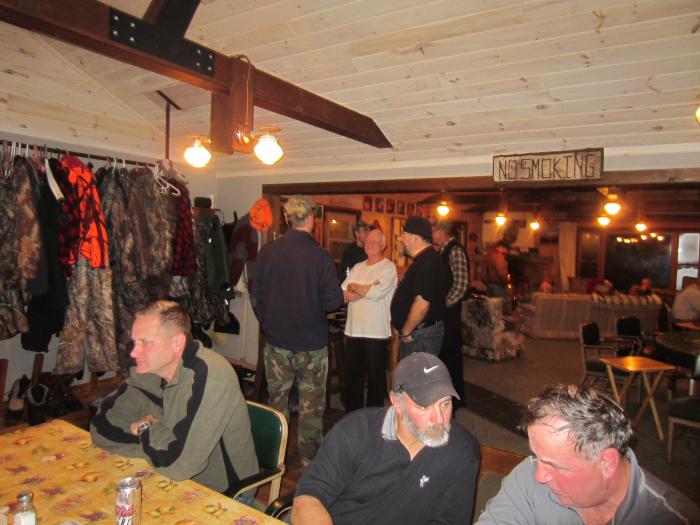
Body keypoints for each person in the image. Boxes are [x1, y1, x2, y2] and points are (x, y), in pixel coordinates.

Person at [90, 301, 258, 494]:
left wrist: (145, 429)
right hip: (166, 474)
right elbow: (101, 426)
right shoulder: (151, 369)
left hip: (224, 493)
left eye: (146, 343)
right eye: (134, 342)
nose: (134, 352)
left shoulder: (211, 376)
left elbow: (180, 466)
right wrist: (153, 449)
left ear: (177, 343)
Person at [292, 352, 480, 525]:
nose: (439, 419)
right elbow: (308, 497)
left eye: (445, 404)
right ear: (397, 402)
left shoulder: (461, 451)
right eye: (424, 407)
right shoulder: (355, 432)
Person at [475, 383, 700, 525]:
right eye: (537, 455)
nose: (539, 475)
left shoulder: (673, 518)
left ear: (607, 463)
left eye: (555, 465)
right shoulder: (527, 476)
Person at [251, 195, 343, 467]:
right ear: (311, 219)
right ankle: (309, 462)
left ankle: (271, 458)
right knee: (311, 409)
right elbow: (333, 301)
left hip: (277, 343)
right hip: (312, 346)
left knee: (276, 404)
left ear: (287, 219)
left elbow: (256, 298)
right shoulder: (320, 256)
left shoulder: (267, 253)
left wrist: (269, 323)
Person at [341, 228, 397, 411]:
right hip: (352, 332)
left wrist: (354, 286)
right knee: (352, 381)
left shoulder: (388, 268)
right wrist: (366, 289)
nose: (370, 244)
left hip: (376, 334)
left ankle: (374, 419)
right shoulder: (358, 267)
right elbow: (342, 294)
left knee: (375, 382)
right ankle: (353, 417)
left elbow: (376, 293)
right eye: (368, 241)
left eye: (375, 241)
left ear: (383, 245)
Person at [391, 215, 447, 359]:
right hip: (420, 333)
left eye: (403, 235)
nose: (400, 239)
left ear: (415, 238)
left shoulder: (427, 263)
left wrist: (406, 331)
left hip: (419, 335)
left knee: (415, 373)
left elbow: (422, 305)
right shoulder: (425, 259)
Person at [432, 220, 468, 407]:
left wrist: (444, 304)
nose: (431, 234)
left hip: (450, 315)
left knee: (451, 356)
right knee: (444, 355)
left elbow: (461, 285)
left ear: (441, 232)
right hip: (444, 313)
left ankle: (456, 398)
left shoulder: (455, 250)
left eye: (433, 231)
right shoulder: (443, 250)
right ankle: (447, 396)